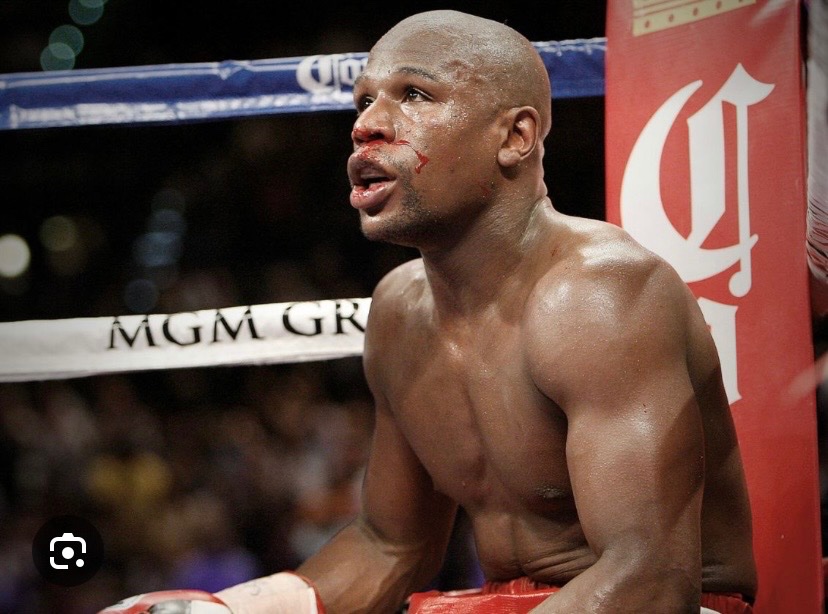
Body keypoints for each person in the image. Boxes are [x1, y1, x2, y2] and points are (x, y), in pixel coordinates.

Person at [98, 9, 758, 614]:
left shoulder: (599, 294)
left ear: (516, 136)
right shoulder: (401, 312)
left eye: (413, 95)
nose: (366, 125)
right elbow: (391, 545)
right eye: (363, 101)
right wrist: (232, 609)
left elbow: (650, 579)